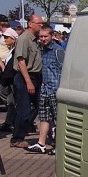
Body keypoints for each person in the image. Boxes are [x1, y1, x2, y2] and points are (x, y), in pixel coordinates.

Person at [27, 26, 63, 154]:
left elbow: (64, 69)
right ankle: (41, 143)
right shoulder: (42, 50)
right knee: (44, 117)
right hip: (45, 88)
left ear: (52, 36)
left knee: (59, 118)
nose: (42, 39)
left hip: (55, 89)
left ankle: (59, 146)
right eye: (41, 36)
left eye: (45, 36)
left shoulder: (58, 50)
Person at [12, 14, 45, 148]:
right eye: (39, 23)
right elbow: (21, 61)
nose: (41, 26)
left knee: (41, 106)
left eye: (42, 23)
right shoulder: (24, 39)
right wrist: (28, 82)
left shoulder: (36, 40)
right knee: (24, 109)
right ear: (30, 24)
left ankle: (31, 127)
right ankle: (17, 138)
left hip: (36, 77)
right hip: (25, 77)